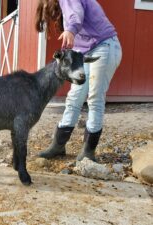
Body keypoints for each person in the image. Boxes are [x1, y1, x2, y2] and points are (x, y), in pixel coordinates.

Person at [35, 0, 122, 161]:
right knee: (74, 97)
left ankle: (88, 152)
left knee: (95, 99)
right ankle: (58, 146)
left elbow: (76, 14)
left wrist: (71, 30)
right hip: (85, 51)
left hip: (104, 46)